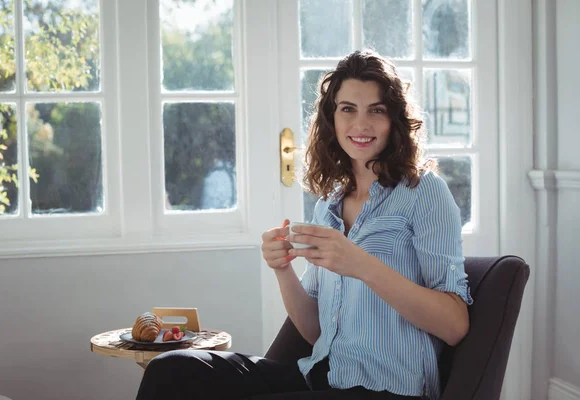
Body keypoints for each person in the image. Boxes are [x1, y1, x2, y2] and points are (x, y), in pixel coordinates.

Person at [135, 50, 472, 400]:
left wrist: (361, 264)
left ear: (395, 119)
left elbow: (455, 324)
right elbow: (314, 332)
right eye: (347, 109)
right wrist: (282, 269)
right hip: (319, 377)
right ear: (332, 119)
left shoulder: (424, 192)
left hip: (389, 389)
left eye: (377, 110)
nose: (361, 125)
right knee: (172, 368)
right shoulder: (330, 204)